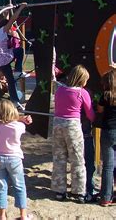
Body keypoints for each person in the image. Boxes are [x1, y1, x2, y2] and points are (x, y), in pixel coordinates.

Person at [51, 65, 95, 203]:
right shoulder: (82, 93)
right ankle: (79, 192)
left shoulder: (60, 90)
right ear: (82, 80)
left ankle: (59, 190)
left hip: (57, 124)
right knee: (77, 159)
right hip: (72, 125)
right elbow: (90, 113)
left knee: (59, 157)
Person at [0, 99, 33, 220]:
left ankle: (2, 214)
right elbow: (16, 122)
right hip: (14, 158)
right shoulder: (18, 126)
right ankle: (23, 214)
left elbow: (1, 122)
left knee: (1, 186)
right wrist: (21, 119)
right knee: (19, 185)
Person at [0, 2, 27, 110]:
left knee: (10, 80)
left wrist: (7, 10)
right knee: (20, 50)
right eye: (10, 28)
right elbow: (12, 20)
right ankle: (18, 70)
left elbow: (7, 19)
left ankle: (15, 101)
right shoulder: (3, 30)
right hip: (4, 57)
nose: (11, 30)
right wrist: (21, 8)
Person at [97, 68, 116, 207]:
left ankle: (106, 197)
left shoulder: (105, 95)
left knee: (108, 166)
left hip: (108, 131)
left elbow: (100, 110)